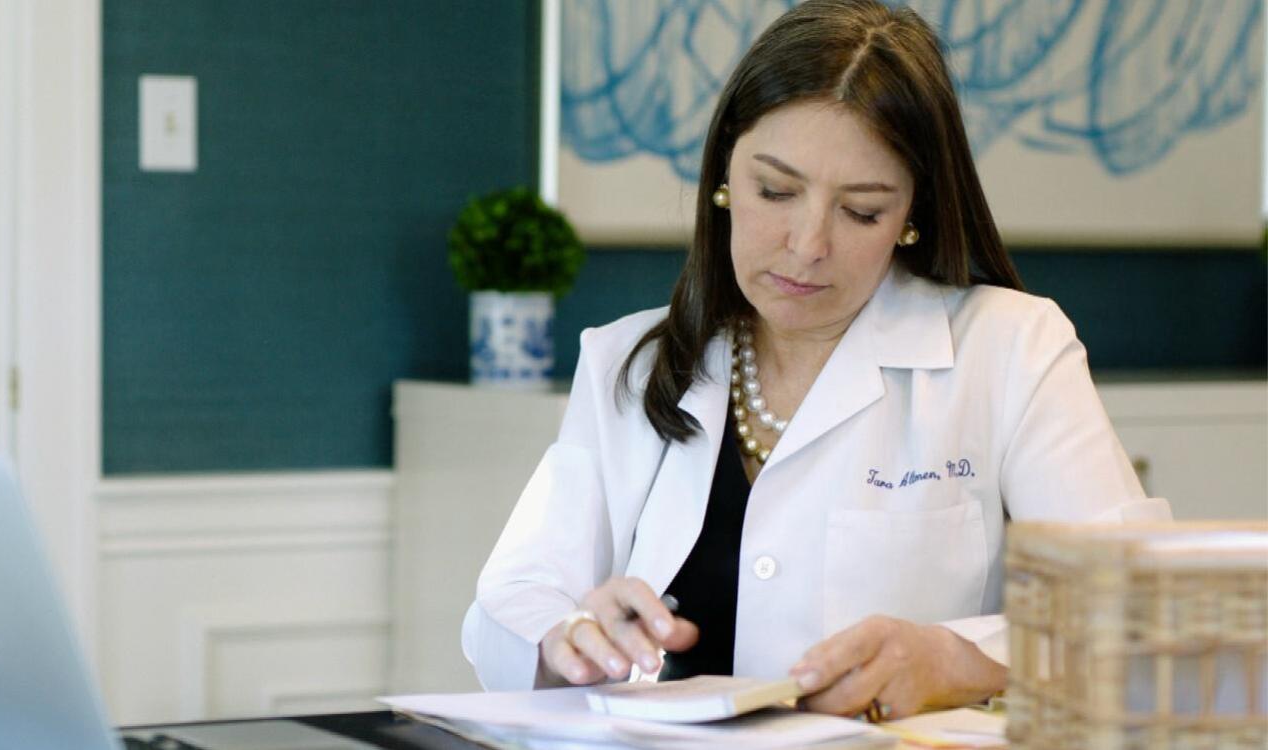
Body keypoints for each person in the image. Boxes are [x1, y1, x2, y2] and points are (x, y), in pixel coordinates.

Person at [461, 0, 1169, 719]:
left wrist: (963, 658)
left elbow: (1142, 606)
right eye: (775, 191)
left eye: (861, 210)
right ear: (726, 176)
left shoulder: (1011, 348)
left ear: (911, 215)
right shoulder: (629, 362)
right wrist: (569, 634)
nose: (806, 245)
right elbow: (506, 605)